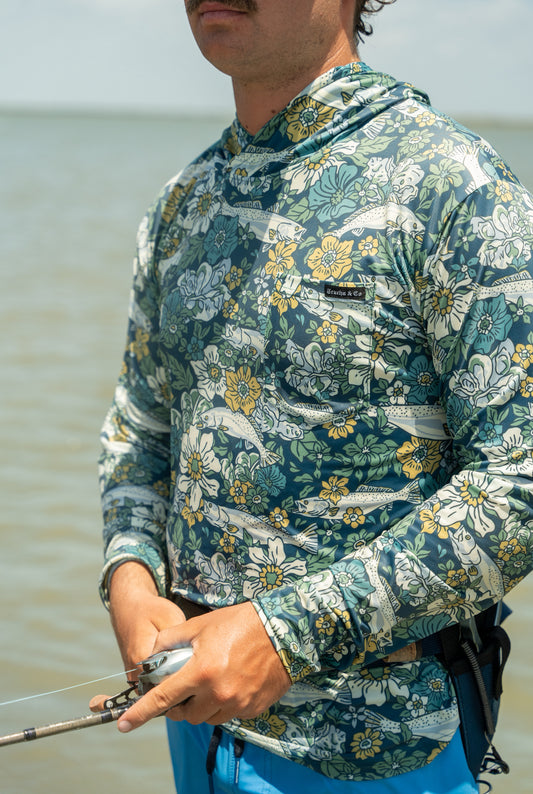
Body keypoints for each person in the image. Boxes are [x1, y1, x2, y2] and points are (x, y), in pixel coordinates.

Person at [93, 1, 533, 792]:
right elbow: (140, 429)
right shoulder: (184, 201)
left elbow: (519, 479)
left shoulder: (454, 187)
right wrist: (130, 574)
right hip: (196, 730)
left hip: (382, 752)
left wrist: (284, 634)